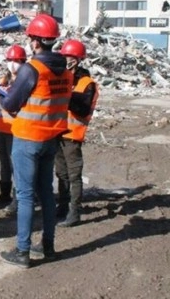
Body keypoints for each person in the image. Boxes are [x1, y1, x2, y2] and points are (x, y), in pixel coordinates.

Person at [0, 14, 73, 268]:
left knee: (26, 195)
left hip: (28, 138)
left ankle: (22, 252)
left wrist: (1, 99)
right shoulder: (65, 69)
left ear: (35, 41)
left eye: (30, 38)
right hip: (51, 138)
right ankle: (48, 246)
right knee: (46, 193)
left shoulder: (32, 69)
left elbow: (11, 103)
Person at [55, 39, 99, 227]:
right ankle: (62, 207)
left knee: (74, 176)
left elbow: (81, 108)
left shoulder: (86, 83)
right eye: (65, 56)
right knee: (61, 174)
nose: (67, 59)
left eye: (71, 57)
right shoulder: (64, 78)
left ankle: (75, 212)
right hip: (58, 133)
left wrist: (66, 93)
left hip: (73, 135)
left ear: (79, 59)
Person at [0, 44, 27, 209]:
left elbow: (14, 106)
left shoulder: (24, 82)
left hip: (14, 129)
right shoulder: (2, 81)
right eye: (10, 60)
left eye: (16, 60)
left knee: (15, 164)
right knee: (4, 162)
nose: (12, 64)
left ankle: (18, 198)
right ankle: (5, 193)